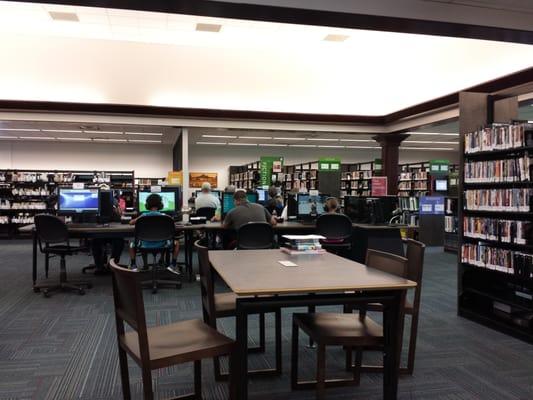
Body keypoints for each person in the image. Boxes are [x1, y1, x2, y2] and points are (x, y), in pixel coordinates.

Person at [128, 193, 180, 274]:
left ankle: (133, 265)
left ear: (147, 204)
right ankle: (173, 265)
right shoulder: (165, 217)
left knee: (132, 244)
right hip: (162, 244)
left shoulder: (143, 216)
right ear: (160, 204)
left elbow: (131, 223)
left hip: (145, 245)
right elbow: (173, 225)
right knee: (176, 243)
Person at [91, 196, 124, 275]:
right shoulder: (93, 206)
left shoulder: (112, 204)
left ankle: (112, 264)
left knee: (119, 241)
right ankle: (99, 266)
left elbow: (118, 219)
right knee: (96, 241)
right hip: (98, 234)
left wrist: (115, 211)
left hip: (112, 234)